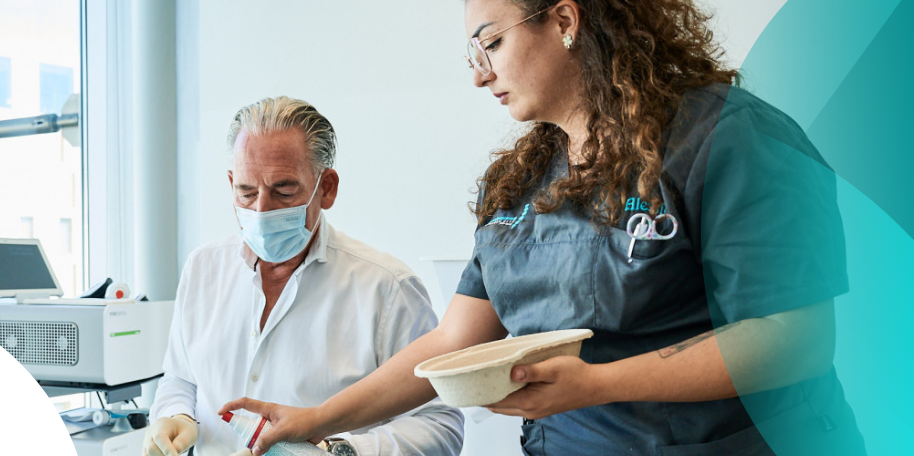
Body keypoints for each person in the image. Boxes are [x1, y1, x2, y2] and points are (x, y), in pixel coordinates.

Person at [219, 1, 867, 456]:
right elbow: (454, 340)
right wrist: (312, 419)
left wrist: (597, 383)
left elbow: (794, 337)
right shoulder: (518, 185)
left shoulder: (729, 140)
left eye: (491, 41)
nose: (477, 72)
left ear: (564, 18)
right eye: (471, 52)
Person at [144, 96, 464, 456]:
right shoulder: (203, 268)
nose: (262, 210)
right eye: (246, 192)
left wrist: (339, 451)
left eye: (283, 190)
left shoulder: (386, 289)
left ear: (326, 187)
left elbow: (441, 425)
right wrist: (176, 415)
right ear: (231, 181)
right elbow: (181, 378)